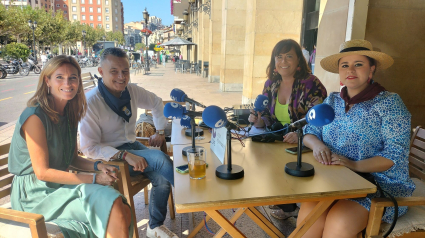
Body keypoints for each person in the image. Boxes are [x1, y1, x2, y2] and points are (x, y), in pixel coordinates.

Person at [299, 39, 416, 238]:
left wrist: (354, 165)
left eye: (358, 64)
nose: (350, 69)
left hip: (376, 185)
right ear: (339, 71)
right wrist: (318, 145)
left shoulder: (389, 104)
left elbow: (395, 155)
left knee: (338, 222)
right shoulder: (332, 101)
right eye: (345, 65)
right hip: (334, 180)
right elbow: (309, 132)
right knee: (308, 220)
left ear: (371, 70)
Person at [9, 55, 133, 238]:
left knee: (122, 209)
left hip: (60, 186)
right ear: (47, 81)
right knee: (112, 206)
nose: (67, 83)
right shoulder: (35, 116)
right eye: (59, 77)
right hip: (35, 195)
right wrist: (94, 179)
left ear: (79, 82)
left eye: (73, 78)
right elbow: (42, 172)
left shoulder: (69, 113)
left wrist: (98, 166)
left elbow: (72, 159)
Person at [78, 48, 177, 238]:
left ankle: (154, 226)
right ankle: (190, 197)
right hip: (110, 159)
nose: (121, 77)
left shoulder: (130, 91)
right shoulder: (91, 103)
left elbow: (156, 102)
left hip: (133, 146)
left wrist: (160, 131)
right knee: (159, 158)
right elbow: (89, 148)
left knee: (162, 178)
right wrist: (124, 155)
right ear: (101, 71)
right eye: (114, 71)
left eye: (125, 71)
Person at [248, 39, 327, 219]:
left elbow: (318, 117)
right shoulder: (271, 84)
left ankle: (297, 205)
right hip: (279, 138)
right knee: (259, 160)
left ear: (299, 60)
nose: (283, 61)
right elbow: (268, 116)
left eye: (289, 56)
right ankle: (287, 206)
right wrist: (259, 121)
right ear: (274, 61)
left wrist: (299, 133)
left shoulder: (311, 84)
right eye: (279, 57)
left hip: (305, 141)